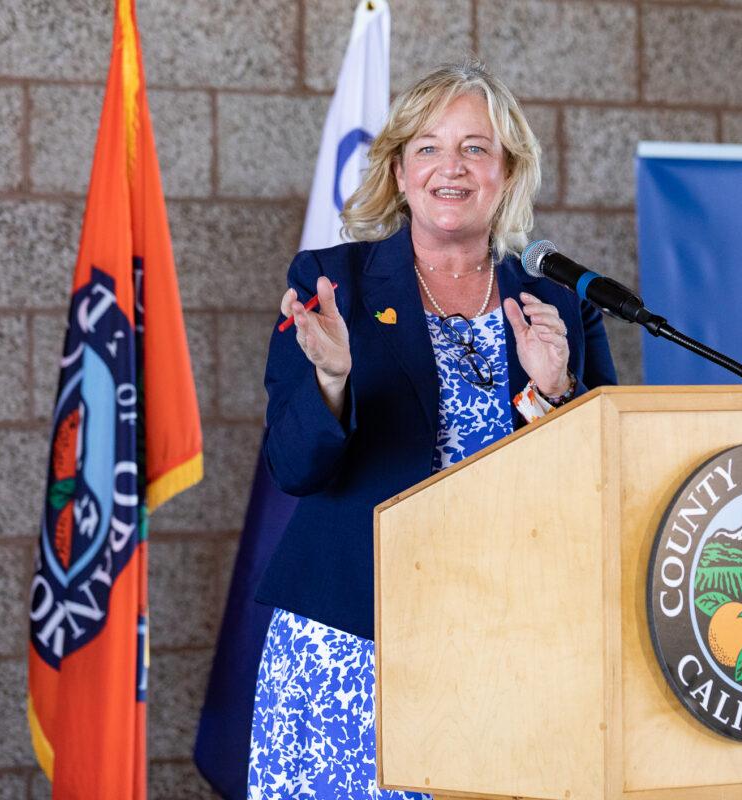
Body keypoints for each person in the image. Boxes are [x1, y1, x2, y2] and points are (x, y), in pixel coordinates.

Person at [247, 60, 617, 800]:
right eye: (428, 147)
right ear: (400, 169)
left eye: (476, 148)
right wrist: (331, 379)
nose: (452, 167)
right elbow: (295, 466)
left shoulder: (558, 304)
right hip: (353, 647)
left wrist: (558, 391)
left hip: (509, 646)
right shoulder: (333, 282)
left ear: (509, 172)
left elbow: (605, 491)